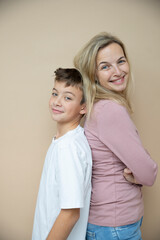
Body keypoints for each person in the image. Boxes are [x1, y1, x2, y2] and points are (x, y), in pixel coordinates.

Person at [74, 32, 158, 240]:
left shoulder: (99, 108)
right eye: (105, 66)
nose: (118, 71)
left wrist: (136, 172)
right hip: (115, 227)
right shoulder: (110, 111)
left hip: (108, 224)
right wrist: (138, 173)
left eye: (121, 61)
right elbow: (149, 173)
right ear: (93, 75)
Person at [32, 68, 92, 240]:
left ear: (83, 107)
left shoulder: (68, 147)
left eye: (67, 98)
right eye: (54, 93)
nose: (57, 102)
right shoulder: (67, 141)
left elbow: (71, 213)